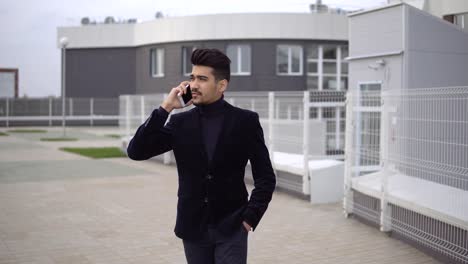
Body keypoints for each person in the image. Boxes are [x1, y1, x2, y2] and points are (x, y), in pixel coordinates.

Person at [127, 48, 276, 264]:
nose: (193, 84)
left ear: (222, 85)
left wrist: (249, 218)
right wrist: (166, 108)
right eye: (192, 77)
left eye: (202, 79)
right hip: (193, 227)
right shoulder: (180, 123)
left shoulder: (245, 122)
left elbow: (265, 178)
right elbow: (136, 151)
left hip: (232, 227)